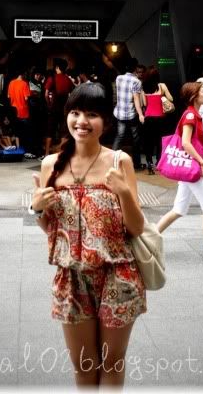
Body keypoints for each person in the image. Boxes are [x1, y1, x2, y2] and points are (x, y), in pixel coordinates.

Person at [30, 82, 146, 387]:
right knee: (84, 365)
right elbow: (51, 230)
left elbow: (136, 228)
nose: (82, 121)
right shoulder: (50, 165)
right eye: (76, 112)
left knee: (112, 362)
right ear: (67, 115)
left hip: (117, 276)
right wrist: (37, 209)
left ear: (105, 121)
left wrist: (124, 193)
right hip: (71, 278)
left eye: (91, 114)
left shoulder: (120, 162)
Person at [157, 82, 203, 261]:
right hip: (191, 169)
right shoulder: (191, 115)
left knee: (179, 209)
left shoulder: (193, 114)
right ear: (194, 97)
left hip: (187, 167)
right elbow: (185, 143)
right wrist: (201, 162)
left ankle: (147, 239)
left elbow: (195, 144)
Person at [113, 59, 144, 170]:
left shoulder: (118, 78)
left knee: (119, 136)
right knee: (135, 139)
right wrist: (140, 114)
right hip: (131, 114)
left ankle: (112, 161)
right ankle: (137, 164)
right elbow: (136, 99)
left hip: (120, 112)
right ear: (135, 68)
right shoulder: (136, 81)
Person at [141, 69, 173, 174]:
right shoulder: (162, 86)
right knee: (159, 141)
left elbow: (144, 104)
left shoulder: (144, 87)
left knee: (148, 142)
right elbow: (171, 99)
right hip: (160, 118)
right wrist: (162, 96)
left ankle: (149, 163)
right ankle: (159, 162)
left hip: (148, 118)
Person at [45, 59, 75, 153]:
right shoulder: (68, 79)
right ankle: (61, 153)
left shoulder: (52, 78)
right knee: (63, 132)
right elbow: (72, 94)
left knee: (50, 131)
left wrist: (49, 104)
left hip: (54, 108)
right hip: (64, 109)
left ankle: (46, 154)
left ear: (57, 67)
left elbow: (46, 94)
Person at [8, 69, 35, 156]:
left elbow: (9, 96)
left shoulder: (11, 83)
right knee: (26, 132)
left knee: (16, 131)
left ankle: (18, 149)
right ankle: (26, 150)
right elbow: (26, 98)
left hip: (13, 110)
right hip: (23, 111)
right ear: (23, 74)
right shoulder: (24, 83)